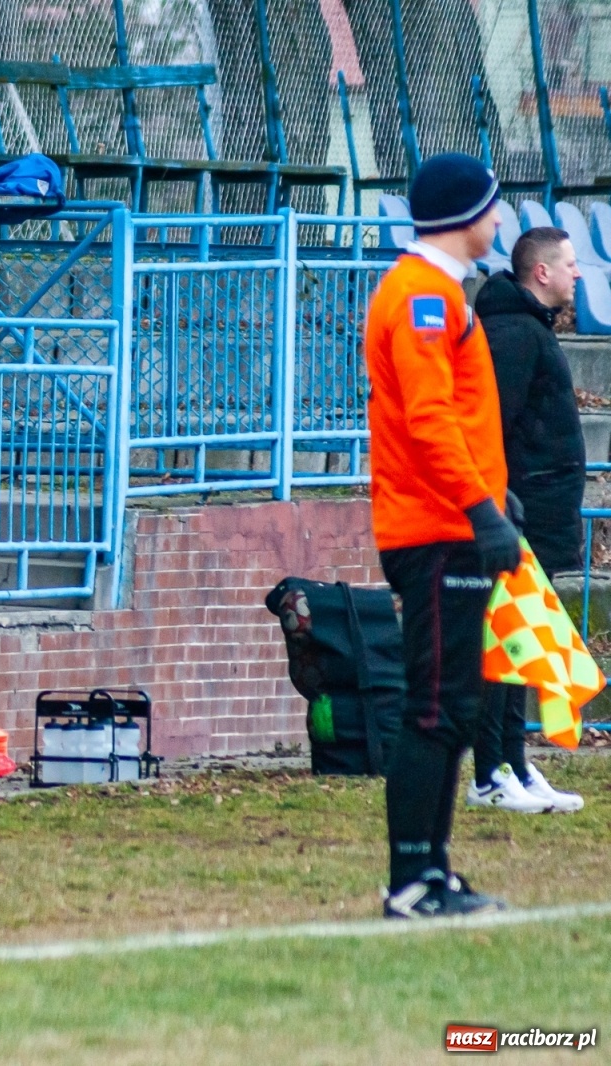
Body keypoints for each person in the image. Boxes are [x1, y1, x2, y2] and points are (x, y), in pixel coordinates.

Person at [367, 154, 513, 918]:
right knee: (434, 708)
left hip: (449, 521)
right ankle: (411, 881)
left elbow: (454, 415)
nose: (498, 221)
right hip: (437, 530)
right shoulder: (424, 296)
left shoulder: (438, 291)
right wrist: (478, 510)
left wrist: (496, 496)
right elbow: (427, 419)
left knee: (453, 705)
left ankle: (434, 868)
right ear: (464, 215)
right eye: (492, 208)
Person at [468, 228, 587, 815]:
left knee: (519, 641)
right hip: (516, 515)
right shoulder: (514, 334)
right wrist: (503, 507)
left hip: (534, 514)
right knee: (505, 642)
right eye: (569, 264)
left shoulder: (528, 328)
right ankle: (490, 771)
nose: (578, 273)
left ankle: (513, 762)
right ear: (541, 273)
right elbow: (493, 427)